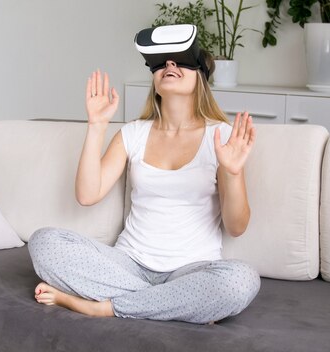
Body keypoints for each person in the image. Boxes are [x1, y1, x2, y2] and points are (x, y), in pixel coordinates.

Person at [28, 42, 260, 324]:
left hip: (193, 270)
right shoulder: (133, 134)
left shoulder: (222, 136)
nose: (169, 66)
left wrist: (233, 173)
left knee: (241, 281)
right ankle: (175, 305)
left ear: (200, 74)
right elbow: (87, 195)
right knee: (44, 243)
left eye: (180, 61)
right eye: (162, 62)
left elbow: (236, 227)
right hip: (129, 264)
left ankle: (102, 307)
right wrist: (97, 126)